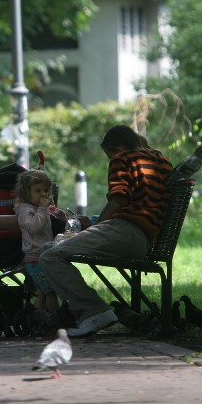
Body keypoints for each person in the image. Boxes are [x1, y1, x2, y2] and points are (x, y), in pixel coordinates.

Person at [39, 124, 172, 337]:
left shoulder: (123, 158)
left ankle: (93, 312)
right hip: (143, 240)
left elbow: (120, 197)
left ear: (118, 149)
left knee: (49, 256)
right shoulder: (162, 161)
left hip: (124, 232)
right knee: (49, 247)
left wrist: (97, 224)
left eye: (109, 155)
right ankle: (74, 312)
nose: (110, 160)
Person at [13, 170, 60, 314]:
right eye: (38, 191)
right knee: (51, 292)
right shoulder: (24, 210)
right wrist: (42, 210)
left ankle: (36, 320)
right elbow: (34, 227)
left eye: (46, 190)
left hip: (41, 256)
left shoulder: (36, 208)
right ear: (26, 192)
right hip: (36, 259)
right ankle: (58, 321)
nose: (43, 194)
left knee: (42, 293)